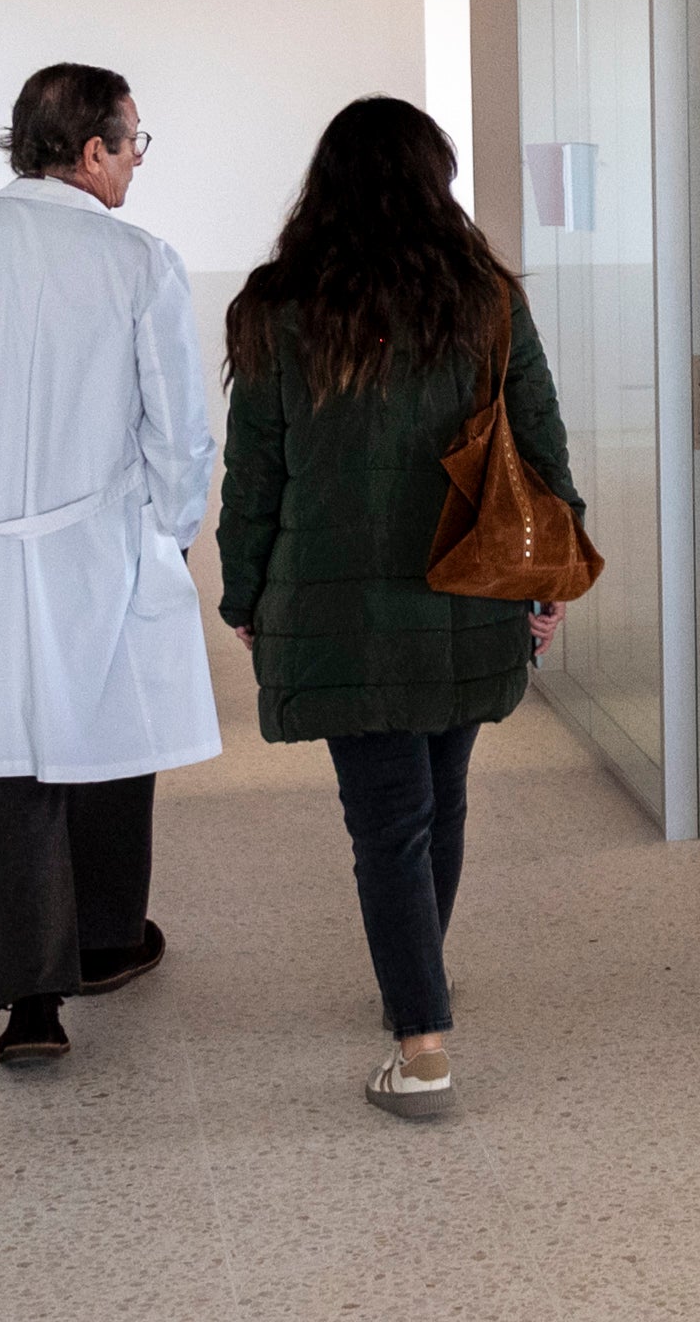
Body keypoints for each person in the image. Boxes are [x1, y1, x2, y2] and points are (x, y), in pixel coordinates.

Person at [0, 62, 222, 1068]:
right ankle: (107, 937)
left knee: (7, 762)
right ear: (92, 149)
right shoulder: (138, 261)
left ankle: (32, 1002)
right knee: (110, 727)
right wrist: (171, 531)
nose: (136, 164)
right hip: (100, 538)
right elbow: (179, 431)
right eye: (132, 143)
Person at [217, 97, 575, 1122]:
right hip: (464, 586)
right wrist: (547, 576)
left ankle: (421, 1043)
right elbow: (540, 442)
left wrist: (245, 588)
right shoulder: (485, 298)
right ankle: (419, 976)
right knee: (437, 796)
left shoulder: (281, 303)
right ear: (435, 182)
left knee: (388, 820)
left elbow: (259, 471)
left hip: (336, 602)